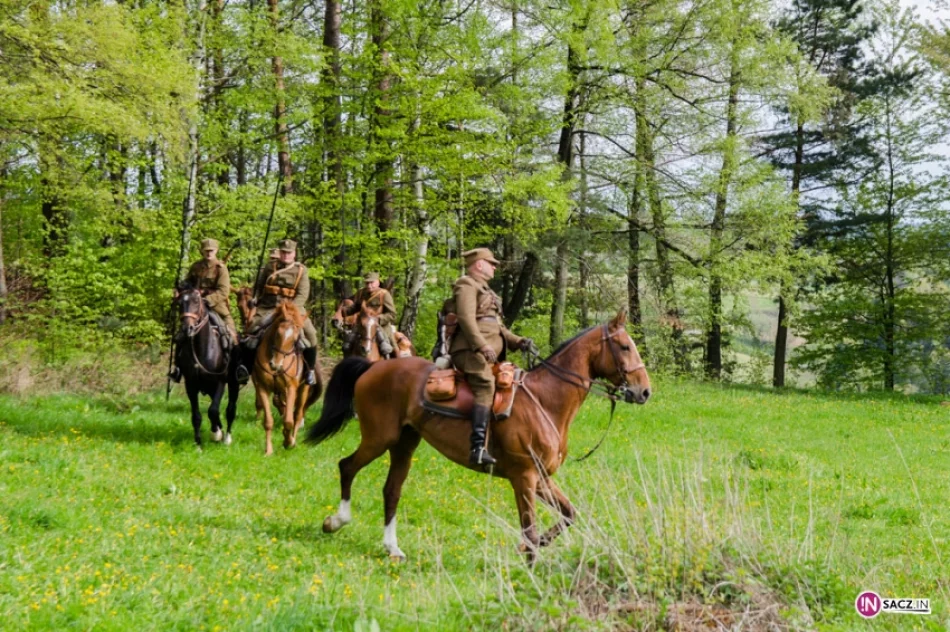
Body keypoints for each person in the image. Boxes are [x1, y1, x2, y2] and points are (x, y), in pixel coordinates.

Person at [451, 248, 533, 466]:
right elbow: (466, 319)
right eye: (491, 263)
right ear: (478, 264)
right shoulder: (466, 284)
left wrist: (519, 341)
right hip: (469, 351)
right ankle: (477, 447)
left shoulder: (488, 292)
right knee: (486, 384)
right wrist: (481, 345)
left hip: (488, 353)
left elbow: (499, 329)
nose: (495, 267)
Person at [235, 239, 319, 386]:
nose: (286, 255)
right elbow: (259, 286)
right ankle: (245, 368)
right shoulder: (269, 267)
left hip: (293, 309)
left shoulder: (301, 271)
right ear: (280, 253)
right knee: (251, 330)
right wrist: (255, 298)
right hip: (268, 307)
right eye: (283, 252)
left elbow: (302, 294)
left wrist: (290, 310)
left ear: (294, 254)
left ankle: (310, 371)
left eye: (289, 253)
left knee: (311, 334)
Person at [169, 238, 237, 383]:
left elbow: (224, 291)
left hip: (215, 306)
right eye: (206, 251)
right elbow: (188, 283)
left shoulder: (221, 268)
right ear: (202, 251)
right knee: (181, 335)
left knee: (231, 334)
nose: (208, 253)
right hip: (195, 306)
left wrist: (207, 300)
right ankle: (178, 369)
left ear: (216, 251)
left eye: (211, 250)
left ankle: (235, 368)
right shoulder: (196, 266)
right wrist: (179, 289)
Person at [333, 272, 397, 357]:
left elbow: (392, 314)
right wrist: (341, 313)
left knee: (389, 347)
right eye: (367, 283)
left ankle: (397, 365)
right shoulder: (361, 293)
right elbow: (355, 308)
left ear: (377, 282)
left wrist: (378, 319)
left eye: (372, 282)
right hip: (361, 325)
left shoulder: (384, 294)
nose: (369, 285)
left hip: (380, 326)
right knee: (347, 345)